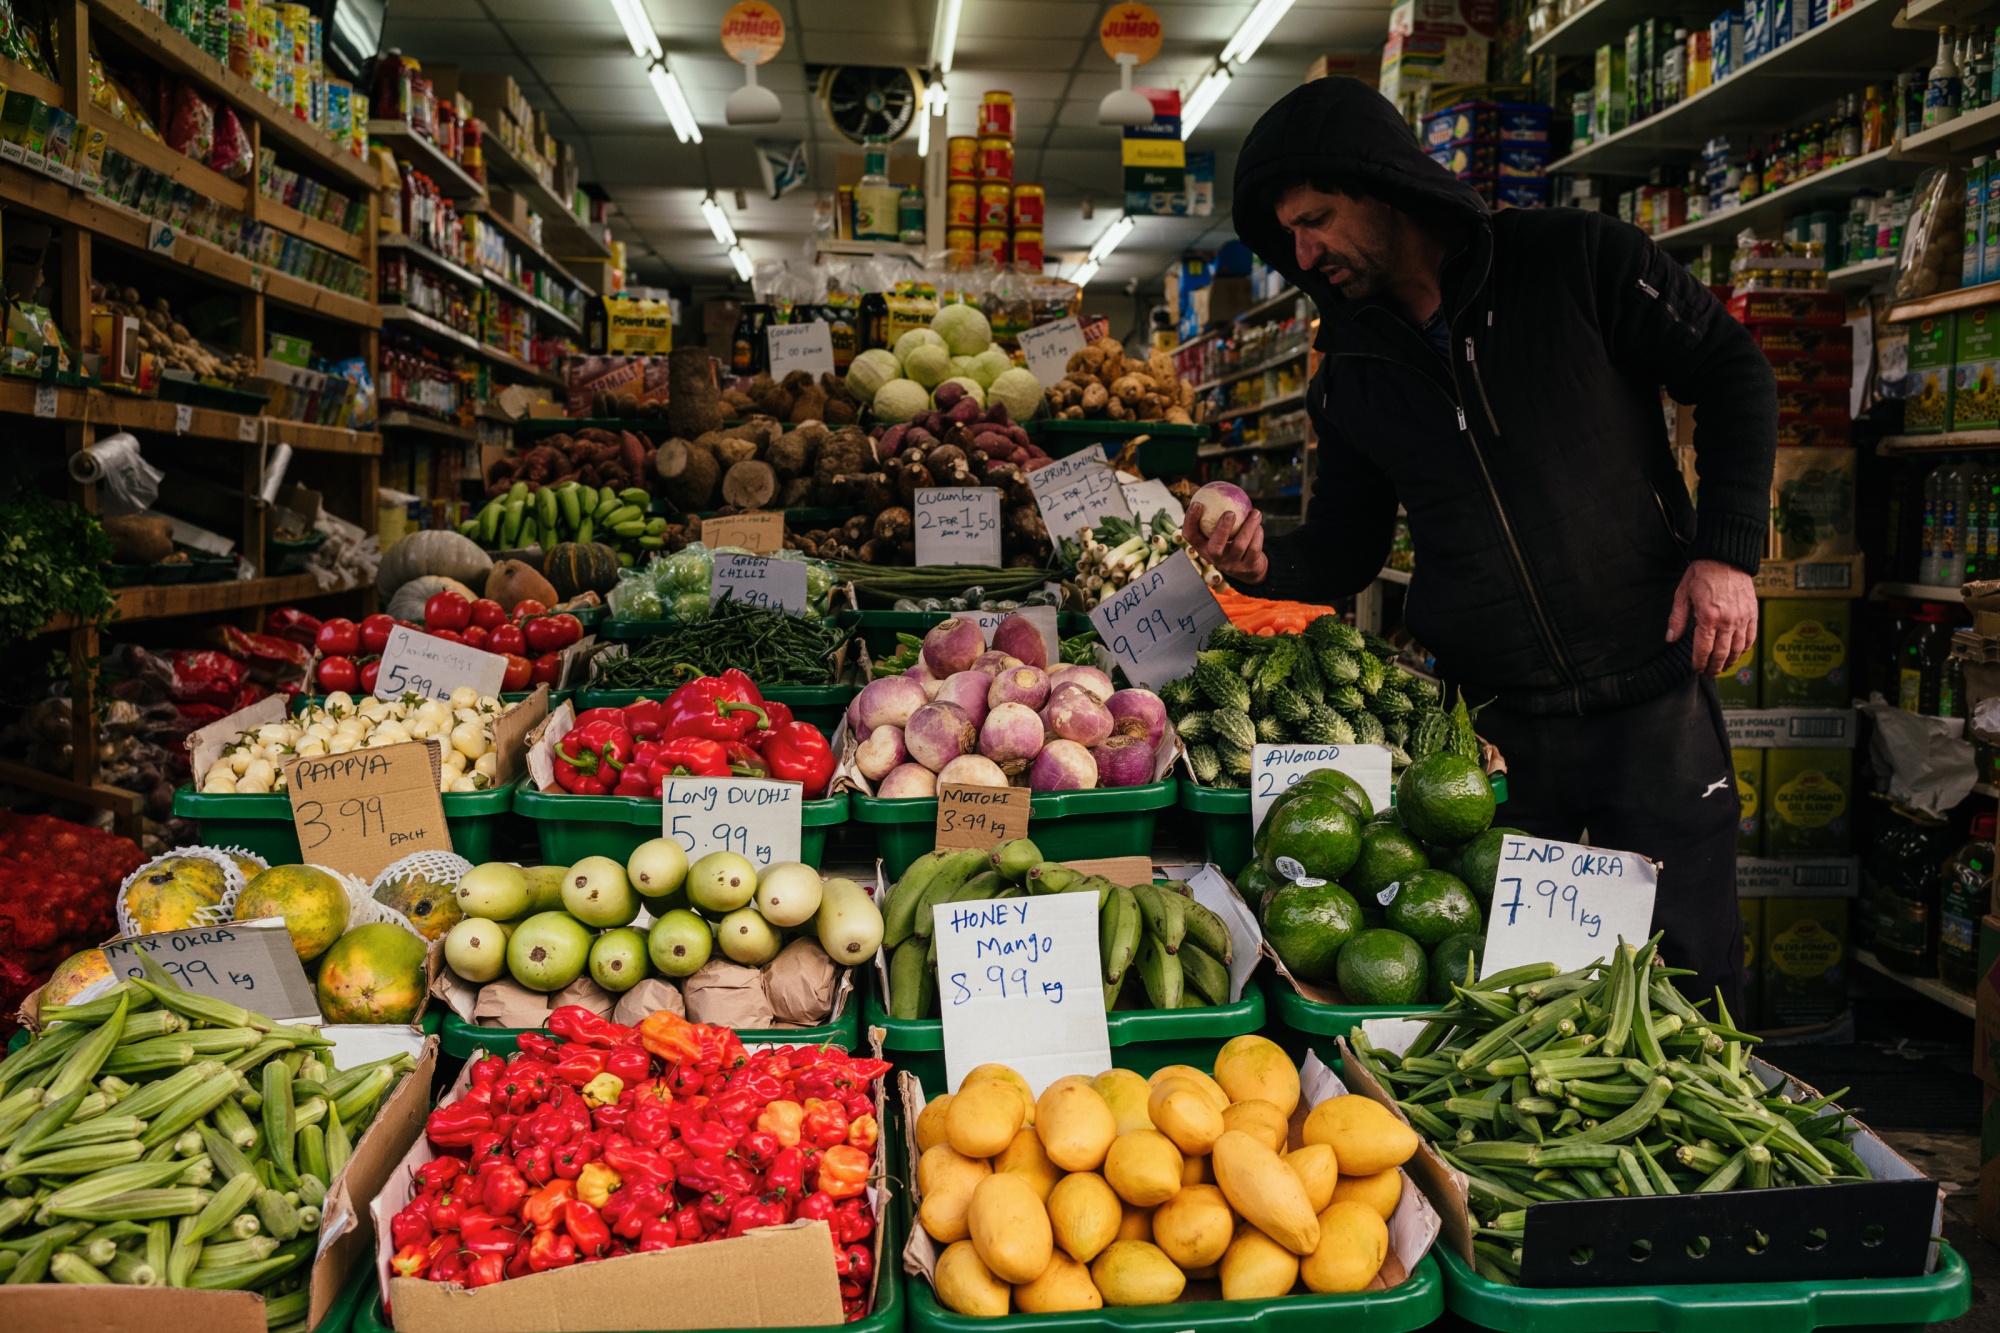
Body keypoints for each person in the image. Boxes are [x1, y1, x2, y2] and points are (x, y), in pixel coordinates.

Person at [1185, 77, 1776, 1015]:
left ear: (1382, 188)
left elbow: (1735, 373)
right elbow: (1343, 550)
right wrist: (1266, 567)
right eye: (1289, 234)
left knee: (1687, 987)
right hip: (1492, 746)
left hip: (1650, 704)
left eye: (1318, 219)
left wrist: (1727, 550)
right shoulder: (1352, 376)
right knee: (1513, 1002)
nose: (1303, 252)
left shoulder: (1577, 262)